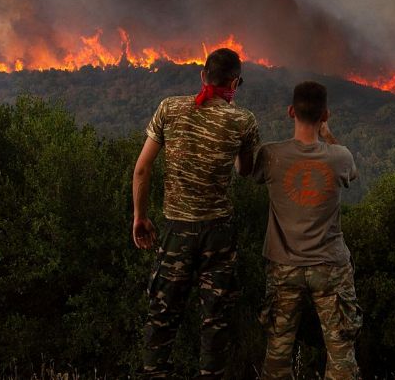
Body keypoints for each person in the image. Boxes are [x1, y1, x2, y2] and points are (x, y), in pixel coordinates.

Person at [132, 47, 260, 379]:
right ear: (236, 82)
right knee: (215, 320)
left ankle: (154, 373)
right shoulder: (242, 120)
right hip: (218, 232)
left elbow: (143, 170)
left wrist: (140, 217)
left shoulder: (169, 108)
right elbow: (245, 170)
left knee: (162, 315)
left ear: (203, 76)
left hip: (176, 231)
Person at [253, 81, 363, 379]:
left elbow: (243, 169)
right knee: (341, 354)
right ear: (325, 115)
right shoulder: (340, 157)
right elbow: (350, 173)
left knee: (277, 353)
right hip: (330, 267)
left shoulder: (270, 156)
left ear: (291, 111)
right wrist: (327, 136)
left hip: (284, 268)